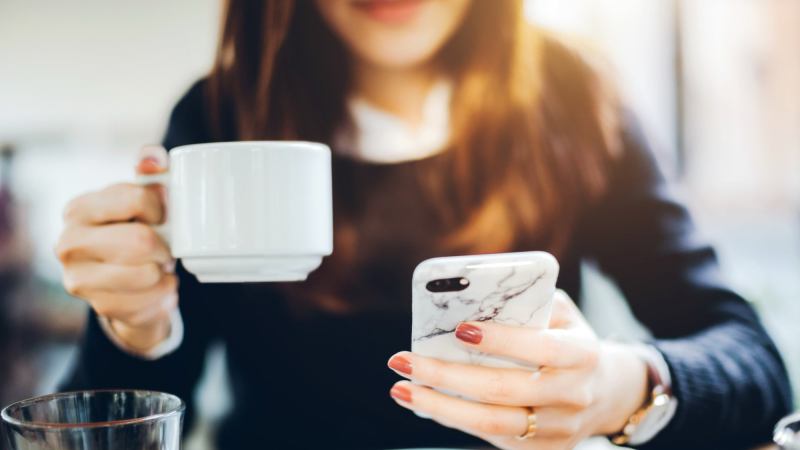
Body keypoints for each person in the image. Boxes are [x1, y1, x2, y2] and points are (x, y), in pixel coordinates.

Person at [57, 1, 792, 449]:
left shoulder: (572, 96)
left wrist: (616, 387)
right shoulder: (220, 116)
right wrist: (135, 327)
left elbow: (755, 368)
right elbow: (115, 426)